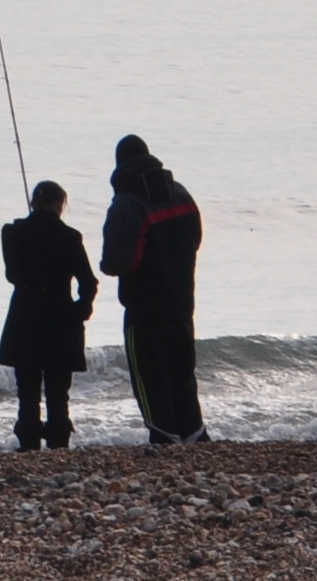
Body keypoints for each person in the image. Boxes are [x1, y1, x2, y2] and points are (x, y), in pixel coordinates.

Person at [99, 134, 209, 444]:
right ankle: (194, 437)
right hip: (182, 301)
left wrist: (106, 265)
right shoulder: (180, 192)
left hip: (144, 308)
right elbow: (195, 238)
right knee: (183, 376)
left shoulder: (127, 202)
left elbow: (120, 262)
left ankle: (164, 437)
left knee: (150, 380)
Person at [0, 180, 99, 449]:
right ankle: (58, 446)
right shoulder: (70, 237)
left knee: (27, 391)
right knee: (58, 392)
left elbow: (12, 275)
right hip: (60, 320)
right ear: (58, 204)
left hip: (25, 317)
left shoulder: (12, 233)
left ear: (33, 203)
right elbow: (88, 282)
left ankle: (29, 445)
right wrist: (81, 310)